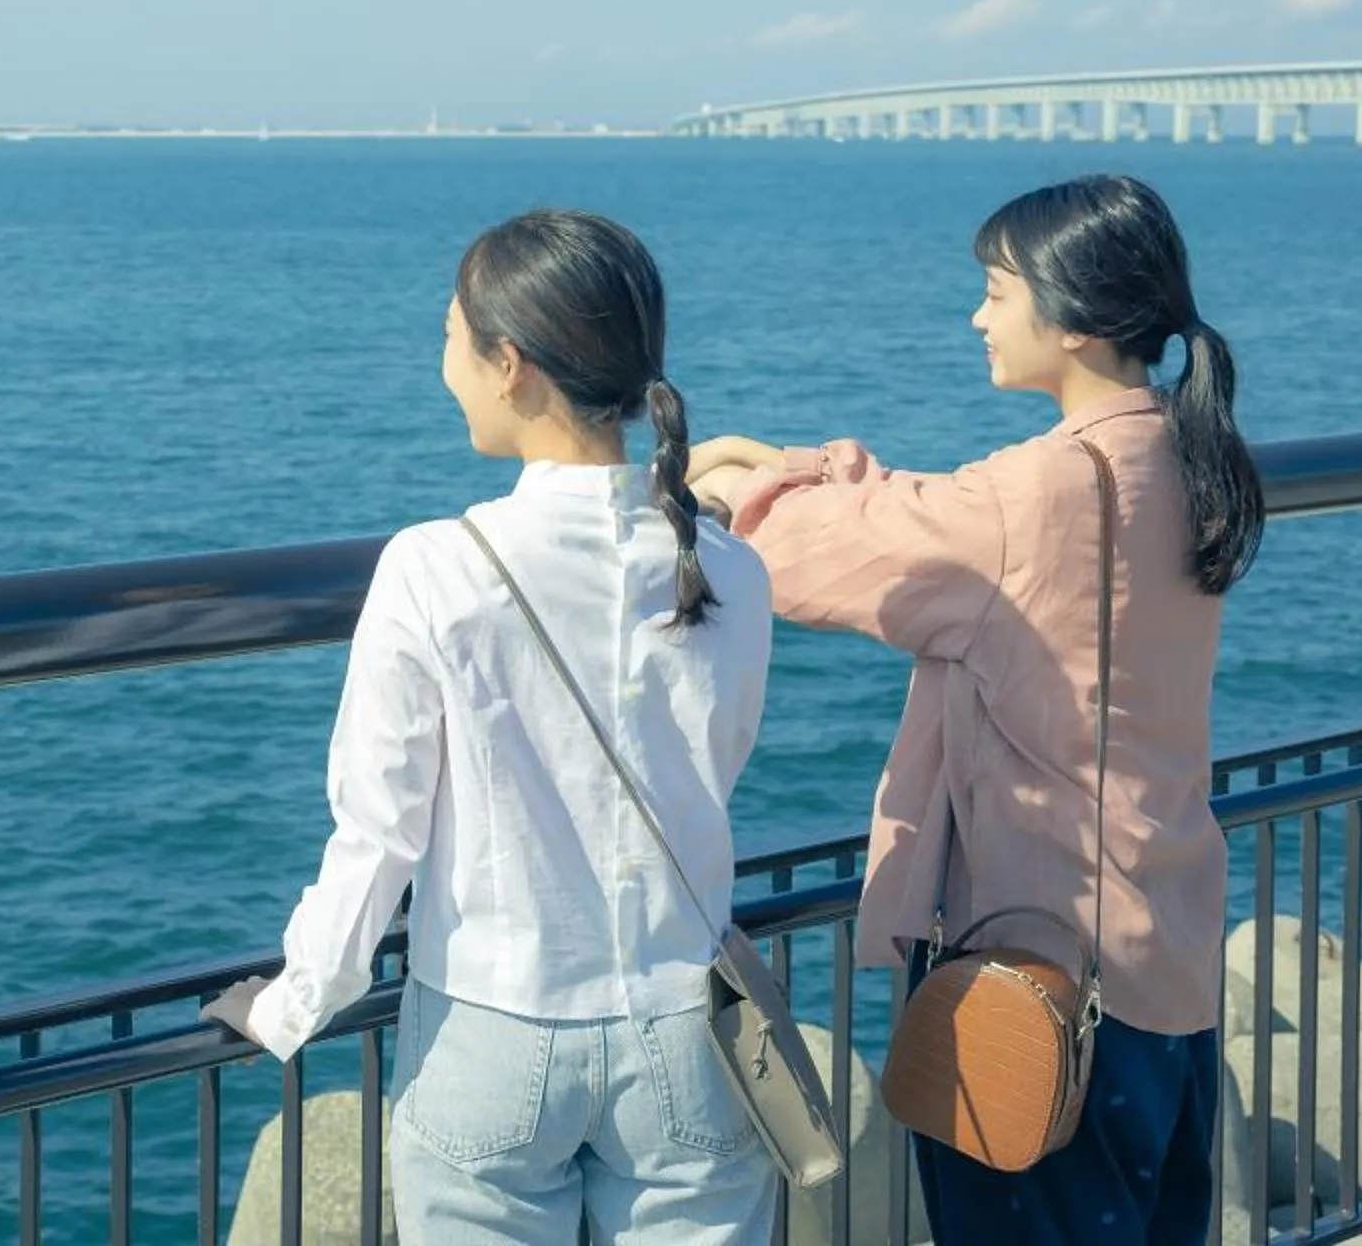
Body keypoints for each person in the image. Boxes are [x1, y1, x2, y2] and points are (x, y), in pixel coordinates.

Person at [689, 173, 1261, 1246]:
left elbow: (822, 553)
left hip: (1043, 967)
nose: (978, 315)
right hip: (1164, 950)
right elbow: (933, 515)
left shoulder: (1043, 490)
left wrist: (738, 476)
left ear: (1077, 317)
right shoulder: (1184, 456)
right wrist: (811, 467)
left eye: (998, 291)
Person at [205, 208, 780, 1244]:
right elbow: (714, 756)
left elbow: (379, 832)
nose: (445, 368)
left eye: (450, 340)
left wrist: (294, 1001)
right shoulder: (729, 567)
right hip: (685, 1020)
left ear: (509, 363)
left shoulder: (435, 567)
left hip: (492, 1027)